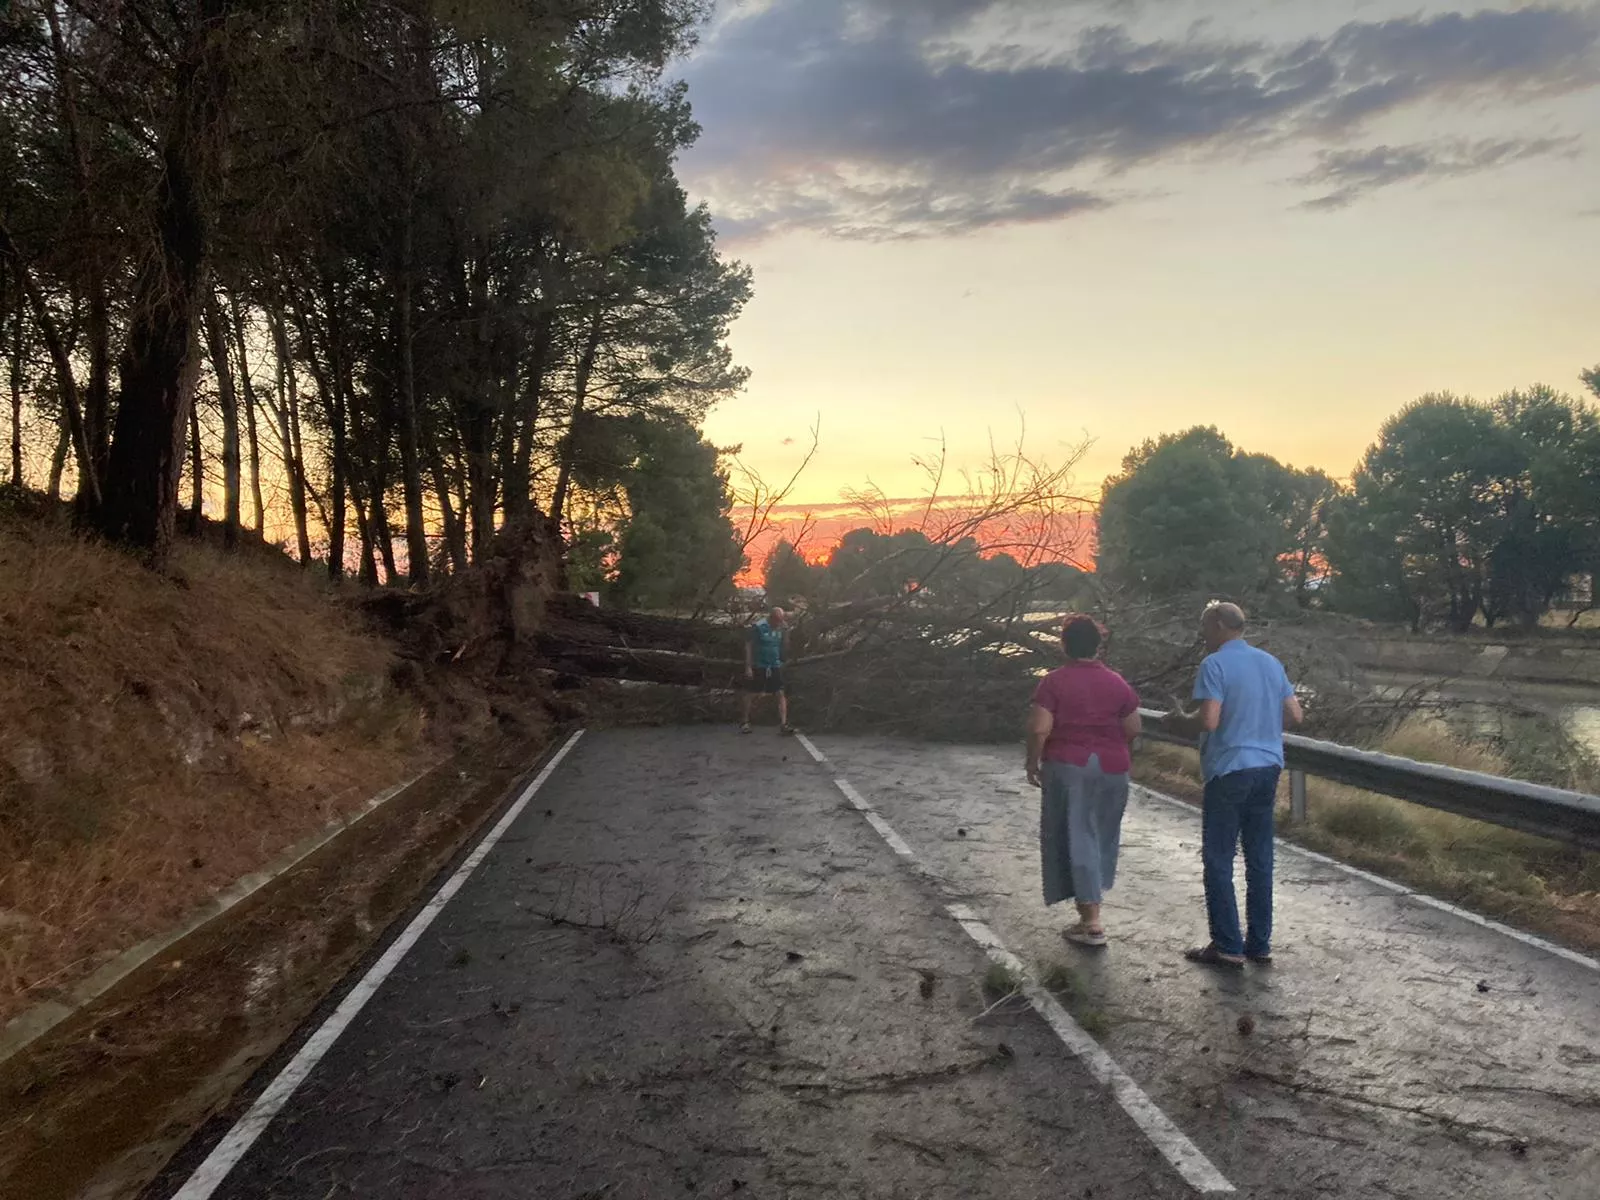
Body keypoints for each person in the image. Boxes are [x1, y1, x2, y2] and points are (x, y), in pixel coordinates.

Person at [1162, 602, 1303, 968]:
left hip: (1229, 769)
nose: (1202, 634)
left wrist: (1180, 721)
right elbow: (1295, 714)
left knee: (1219, 857)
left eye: (1204, 626)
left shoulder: (1215, 664)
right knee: (1260, 858)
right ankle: (1259, 944)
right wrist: (1260, 726)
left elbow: (1209, 721)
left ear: (1220, 625)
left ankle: (1227, 944)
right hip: (1268, 766)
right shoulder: (1270, 662)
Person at [1025, 615, 1142, 947]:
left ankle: (1091, 922)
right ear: (1098, 646)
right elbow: (1133, 727)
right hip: (1113, 768)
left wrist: (1032, 761)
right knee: (1100, 835)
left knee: (1076, 835)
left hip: (1069, 766)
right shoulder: (1117, 683)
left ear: (1064, 645)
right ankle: (1089, 911)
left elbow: (1039, 728)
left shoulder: (1053, 682)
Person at [742, 606, 794, 735]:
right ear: (771, 618)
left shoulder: (781, 628)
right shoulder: (759, 627)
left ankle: (783, 724)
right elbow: (749, 645)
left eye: (781, 620)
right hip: (759, 665)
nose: (779, 623)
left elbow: (784, 645)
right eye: (777, 621)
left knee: (780, 693)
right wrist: (748, 666)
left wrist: (787, 633)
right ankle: (745, 721)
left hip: (774, 664)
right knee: (752, 693)